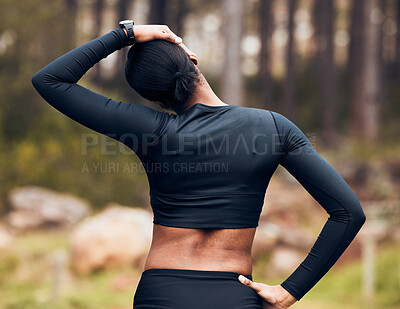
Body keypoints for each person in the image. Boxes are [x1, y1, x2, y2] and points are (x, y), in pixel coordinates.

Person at [32, 21, 366, 309]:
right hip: (233, 295)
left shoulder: (150, 129)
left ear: (156, 100)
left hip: (161, 293)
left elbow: (50, 80)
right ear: (193, 60)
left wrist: (126, 33)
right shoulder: (273, 128)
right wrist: (289, 292)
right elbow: (349, 212)